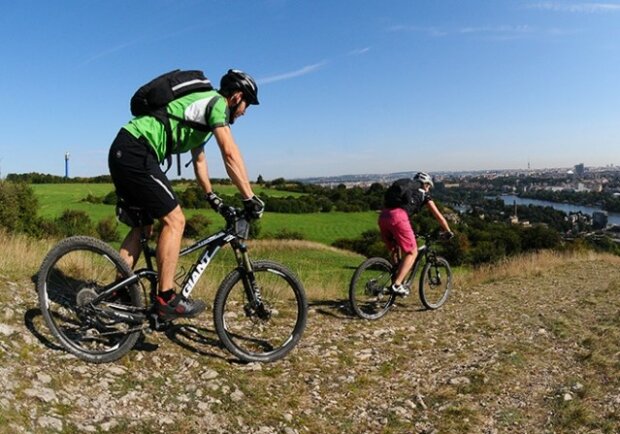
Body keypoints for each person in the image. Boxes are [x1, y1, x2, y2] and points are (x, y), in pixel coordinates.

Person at [108, 69, 265, 321]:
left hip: (125, 149)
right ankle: (166, 298)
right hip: (137, 150)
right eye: (246, 104)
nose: (245, 111)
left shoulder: (201, 112)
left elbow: (199, 161)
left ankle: (115, 295)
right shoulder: (216, 104)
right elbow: (230, 152)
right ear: (236, 97)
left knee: (143, 227)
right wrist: (249, 197)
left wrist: (212, 196)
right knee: (175, 220)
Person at [378, 172, 453, 296]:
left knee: (395, 252)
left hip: (383, 216)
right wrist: (448, 230)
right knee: (412, 252)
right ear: (425, 184)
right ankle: (396, 285)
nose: (428, 189)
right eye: (429, 186)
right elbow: (438, 216)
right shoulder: (424, 194)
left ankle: (392, 290)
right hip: (399, 218)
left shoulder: (406, 189)